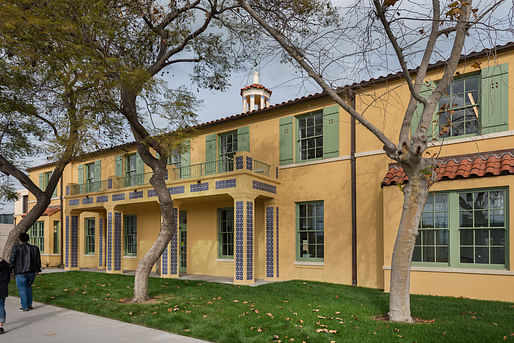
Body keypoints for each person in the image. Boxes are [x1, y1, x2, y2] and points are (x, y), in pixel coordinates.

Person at [9, 232, 41, 312]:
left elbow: (12, 260)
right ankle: (29, 305)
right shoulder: (35, 248)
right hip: (32, 272)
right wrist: (38, 269)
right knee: (28, 287)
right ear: (28, 239)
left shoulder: (16, 248)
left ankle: (24, 307)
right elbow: (38, 260)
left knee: (22, 289)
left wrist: (10, 270)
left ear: (19, 239)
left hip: (20, 271)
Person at [0, 258, 10, 334]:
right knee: (1, 306)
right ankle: (0, 326)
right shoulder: (6, 265)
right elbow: (8, 278)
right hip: (3, 288)